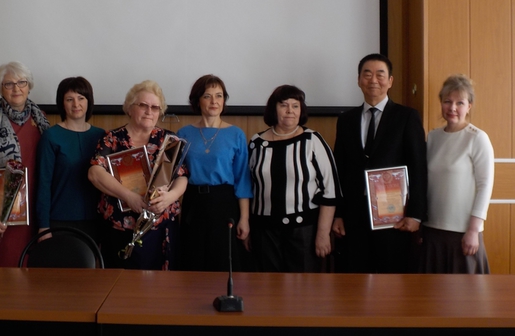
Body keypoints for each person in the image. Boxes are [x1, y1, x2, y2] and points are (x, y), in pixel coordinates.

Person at [332, 53, 427, 273]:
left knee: (391, 281)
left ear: (390, 81)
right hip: (354, 217)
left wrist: (415, 214)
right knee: (354, 279)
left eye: (380, 74)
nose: (373, 80)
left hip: (394, 217)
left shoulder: (406, 117)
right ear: (359, 80)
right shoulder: (346, 120)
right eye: (367, 74)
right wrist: (338, 214)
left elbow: (418, 167)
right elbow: (340, 169)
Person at [88, 80, 188, 270]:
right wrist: (128, 196)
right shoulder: (112, 139)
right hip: (120, 228)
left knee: (162, 285)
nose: (149, 111)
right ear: (130, 108)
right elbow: (95, 173)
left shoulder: (169, 140)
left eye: (155, 107)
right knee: (120, 284)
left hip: (161, 228)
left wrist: (170, 197)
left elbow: (182, 176)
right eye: (143, 105)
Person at [249, 85, 341, 272]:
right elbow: (248, 187)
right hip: (264, 232)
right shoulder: (256, 143)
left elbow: (330, 191)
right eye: (284, 105)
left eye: (295, 106)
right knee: (266, 286)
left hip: (304, 231)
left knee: (303, 287)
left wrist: (323, 234)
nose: (290, 110)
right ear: (274, 109)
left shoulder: (313, 140)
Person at [0, 61, 49, 267]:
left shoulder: (41, 119)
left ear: (29, 86)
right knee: (1, 269)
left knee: (31, 270)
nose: (16, 89)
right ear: (0, 88)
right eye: (9, 84)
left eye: (22, 82)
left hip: (32, 210)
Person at [177, 74, 252, 272]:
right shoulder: (183, 134)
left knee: (223, 262)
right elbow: (175, 175)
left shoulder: (236, 134)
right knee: (193, 261)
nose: (214, 101)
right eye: (207, 96)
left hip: (224, 203)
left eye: (219, 96)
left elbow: (242, 180)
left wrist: (244, 219)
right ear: (197, 101)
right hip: (193, 203)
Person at [421, 74, 494, 273]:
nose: (452, 108)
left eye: (459, 103)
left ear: (469, 106)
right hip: (432, 229)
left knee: (464, 291)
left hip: (463, 233)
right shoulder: (433, 137)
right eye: (447, 101)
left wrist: (473, 230)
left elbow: (485, 186)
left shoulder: (477, 138)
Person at [36, 77, 105, 244]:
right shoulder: (51, 136)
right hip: (59, 221)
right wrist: (43, 225)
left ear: (89, 101)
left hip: (96, 221)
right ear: (62, 103)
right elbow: (43, 183)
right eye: (69, 99)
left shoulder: (101, 136)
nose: (76, 104)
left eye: (81, 98)